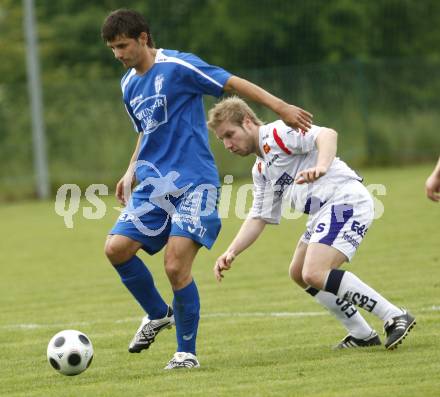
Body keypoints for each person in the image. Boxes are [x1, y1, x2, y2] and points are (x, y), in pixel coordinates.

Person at [101, 9, 313, 369]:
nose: (118, 55)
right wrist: (130, 169)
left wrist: (280, 107)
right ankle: (157, 314)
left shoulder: (179, 67)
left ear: (143, 38)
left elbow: (231, 82)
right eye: (112, 49)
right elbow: (147, 129)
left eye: (123, 46)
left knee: (174, 265)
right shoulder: (127, 85)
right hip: (154, 184)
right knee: (116, 249)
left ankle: (186, 354)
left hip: (194, 182)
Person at [208, 96, 416, 350]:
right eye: (222, 140)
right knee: (299, 273)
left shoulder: (275, 133)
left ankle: (393, 315)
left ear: (248, 122)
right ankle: (362, 334)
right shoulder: (261, 169)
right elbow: (259, 215)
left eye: (230, 134)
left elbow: (327, 134)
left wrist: (322, 165)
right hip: (325, 211)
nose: (228, 144)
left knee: (314, 272)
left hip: (344, 200)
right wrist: (231, 251)